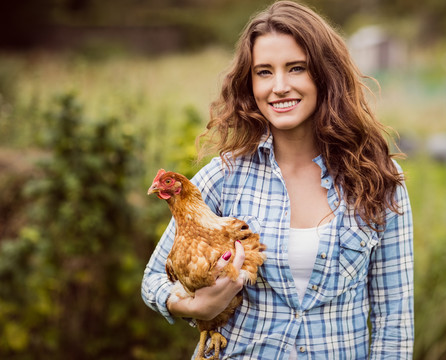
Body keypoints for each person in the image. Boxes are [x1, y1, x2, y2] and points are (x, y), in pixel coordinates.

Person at [141, 1, 414, 359]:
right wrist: (193, 307)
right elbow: (153, 281)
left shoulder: (378, 181)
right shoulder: (225, 176)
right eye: (264, 72)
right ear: (249, 83)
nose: (280, 86)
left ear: (324, 74)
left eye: (296, 68)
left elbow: (394, 321)